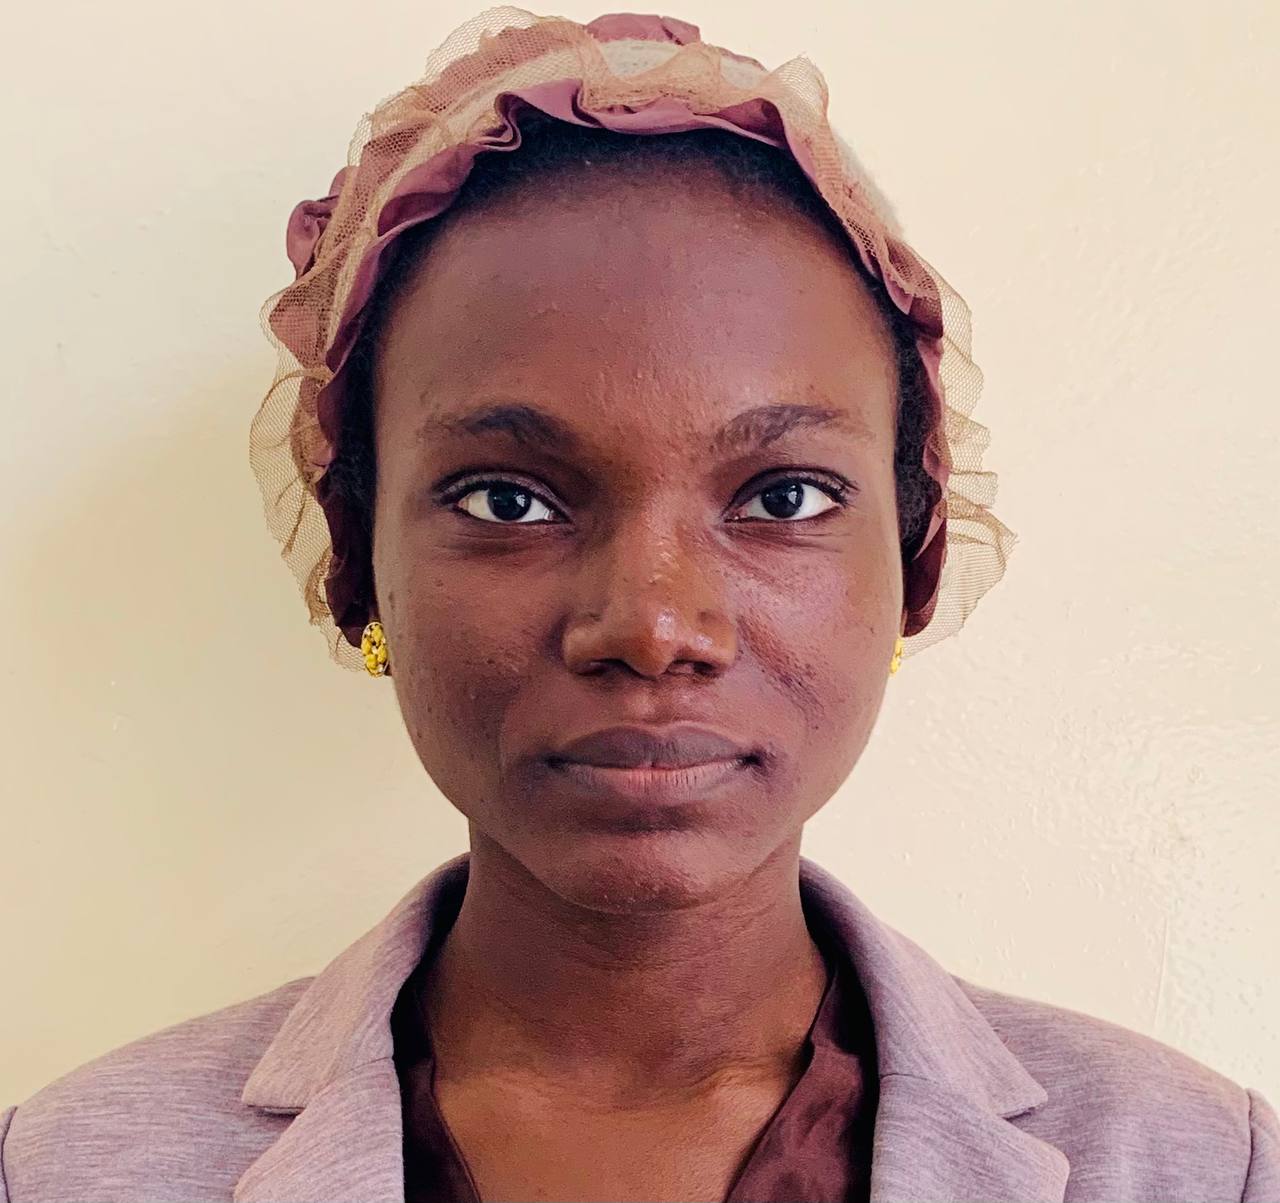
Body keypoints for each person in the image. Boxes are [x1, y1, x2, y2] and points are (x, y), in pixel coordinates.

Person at [2, 9, 1276, 1203]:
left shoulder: (1189, 1164)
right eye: (507, 500)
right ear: (356, 560)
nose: (652, 627)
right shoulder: (64, 1169)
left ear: (914, 560)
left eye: (781, 496)